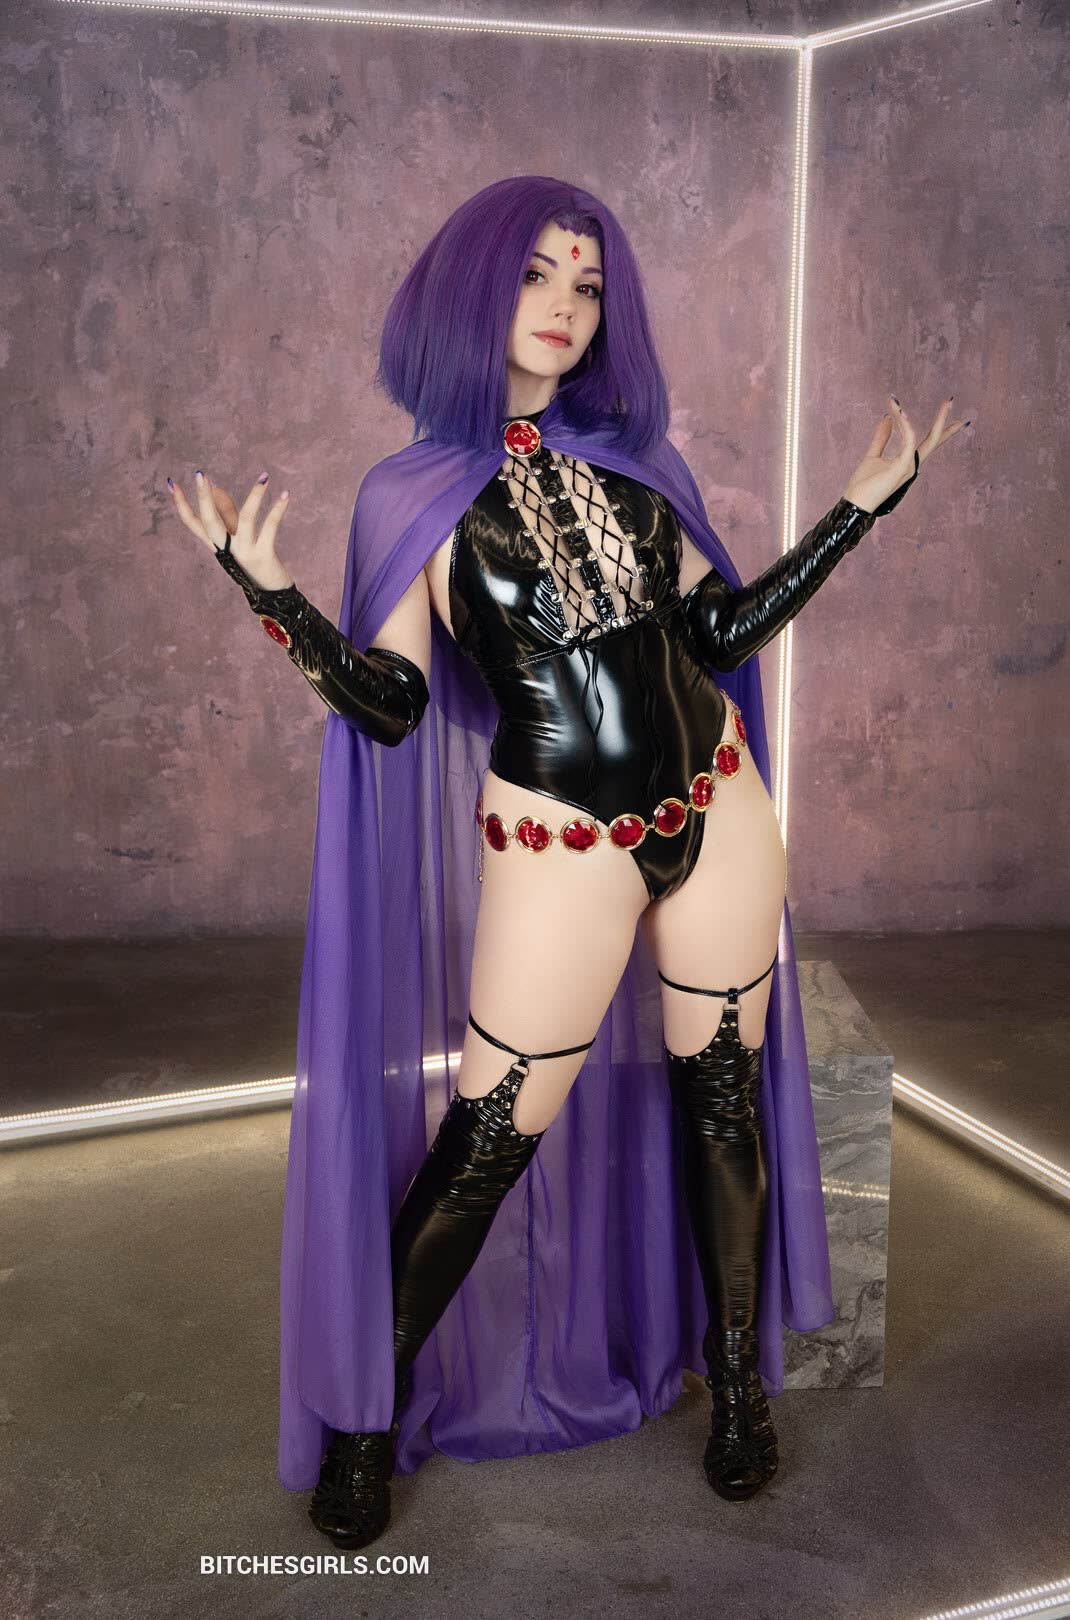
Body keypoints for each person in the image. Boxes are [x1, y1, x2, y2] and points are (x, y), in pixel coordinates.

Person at [167, 176, 963, 1550]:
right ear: (474, 292)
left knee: (724, 1105)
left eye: (587, 285)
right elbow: (393, 707)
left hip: (719, 807)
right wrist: (272, 596)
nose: (564, 306)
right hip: (560, 837)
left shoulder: (642, 466)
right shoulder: (408, 493)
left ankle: (738, 1391)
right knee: (487, 1138)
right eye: (536, 275)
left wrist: (857, 507)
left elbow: (720, 635)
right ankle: (365, 1421)